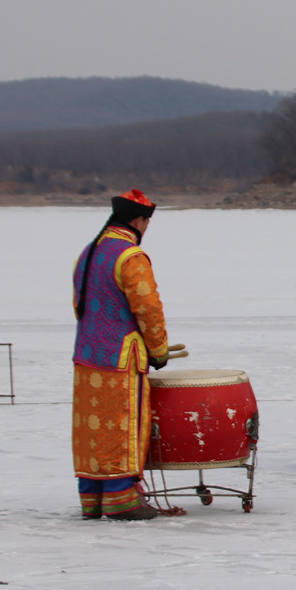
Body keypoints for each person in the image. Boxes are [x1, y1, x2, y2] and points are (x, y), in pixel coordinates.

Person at [71, 189, 182, 520]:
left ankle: (92, 499)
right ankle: (122, 500)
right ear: (138, 220)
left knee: (91, 431)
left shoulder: (89, 252)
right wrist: (158, 349)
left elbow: (79, 304)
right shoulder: (130, 256)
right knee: (121, 426)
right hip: (121, 357)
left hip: (87, 353)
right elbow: (148, 307)